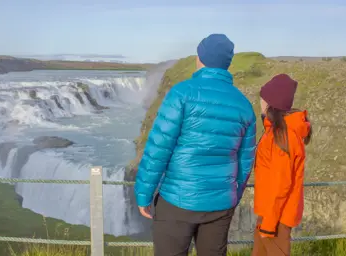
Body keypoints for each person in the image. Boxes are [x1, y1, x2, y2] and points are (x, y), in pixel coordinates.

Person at [134, 34, 257, 256]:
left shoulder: (182, 93)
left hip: (177, 201)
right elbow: (245, 161)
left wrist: (144, 193)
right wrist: (231, 195)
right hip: (220, 205)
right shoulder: (244, 105)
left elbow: (158, 149)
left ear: (200, 58)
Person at [252, 74, 312, 256]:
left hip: (276, 218)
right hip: (272, 213)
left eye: (263, 98)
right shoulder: (280, 132)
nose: (260, 102)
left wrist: (269, 225)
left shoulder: (281, 137)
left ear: (271, 103)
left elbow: (281, 185)